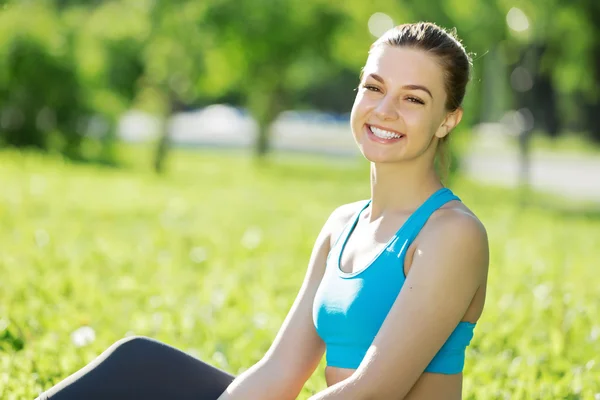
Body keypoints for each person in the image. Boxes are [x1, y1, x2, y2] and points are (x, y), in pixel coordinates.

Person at [36, 21, 489, 400]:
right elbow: (279, 372)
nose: (384, 110)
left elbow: (374, 390)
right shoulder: (342, 226)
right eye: (374, 87)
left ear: (448, 119)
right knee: (138, 362)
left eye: (413, 98)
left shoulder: (451, 234)